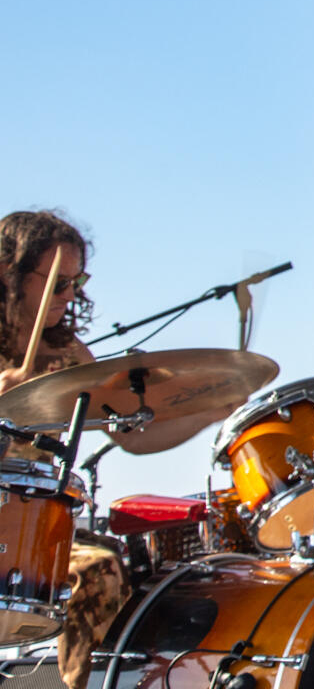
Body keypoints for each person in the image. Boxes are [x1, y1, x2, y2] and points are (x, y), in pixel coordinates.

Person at [0, 210, 127, 689]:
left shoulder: (66, 354)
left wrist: (208, 401)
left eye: (77, 282)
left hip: (27, 540)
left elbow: (130, 430)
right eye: (57, 283)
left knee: (101, 571)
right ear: (8, 273)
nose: (70, 294)